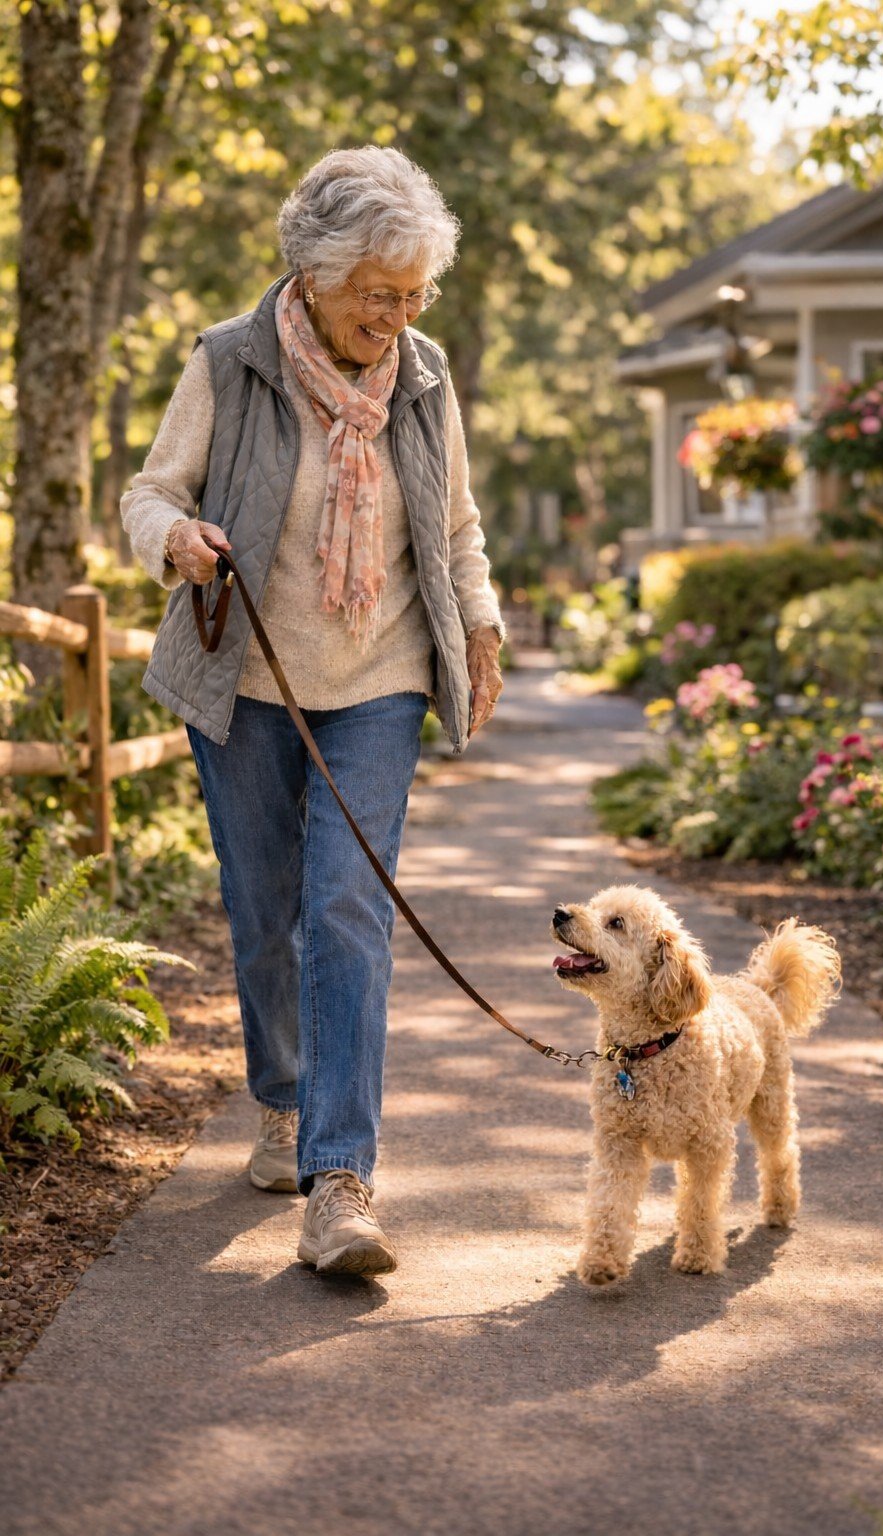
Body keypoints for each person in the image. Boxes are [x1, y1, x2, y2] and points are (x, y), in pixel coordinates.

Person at [120, 146, 505, 1278]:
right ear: (315, 276)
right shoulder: (231, 363)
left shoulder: (424, 379)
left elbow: (459, 530)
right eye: (376, 294)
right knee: (264, 907)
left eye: (413, 292)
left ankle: (339, 1180)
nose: (397, 315)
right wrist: (175, 542)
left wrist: (478, 622)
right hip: (241, 674)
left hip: (377, 677)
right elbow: (151, 492)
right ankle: (283, 1101)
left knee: (346, 907)